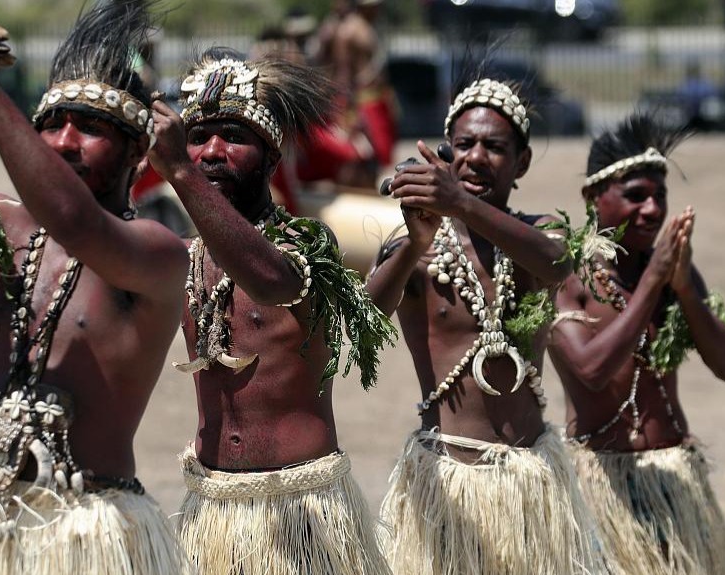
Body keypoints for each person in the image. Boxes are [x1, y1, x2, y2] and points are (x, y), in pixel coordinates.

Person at [0, 3, 192, 573]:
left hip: (86, 531)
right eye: (51, 125)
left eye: (89, 128)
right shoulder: (5, 230)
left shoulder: (156, 253)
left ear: (136, 151)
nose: (64, 142)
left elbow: (76, 224)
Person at [144, 48, 397, 575]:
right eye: (198, 137)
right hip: (212, 512)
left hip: (301, 514)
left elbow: (271, 282)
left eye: (234, 137)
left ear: (273, 158)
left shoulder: (306, 245)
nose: (212, 152)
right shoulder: (183, 256)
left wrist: (180, 171)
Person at [367, 72, 614, 574]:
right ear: (447, 151)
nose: (476, 157)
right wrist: (415, 243)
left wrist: (460, 203)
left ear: (522, 162)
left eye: (495, 147)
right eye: (465, 145)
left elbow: (559, 264)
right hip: (448, 481)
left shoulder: (539, 235)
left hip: (529, 481)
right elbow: (365, 320)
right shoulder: (417, 247)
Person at [548, 112, 725, 575]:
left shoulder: (675, 271)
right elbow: (591, 371)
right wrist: (654, 282)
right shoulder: (568, 277)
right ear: (593, 198)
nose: (653, 209)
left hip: (676, 479)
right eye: (636, 195)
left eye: (660, 196)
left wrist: (682, 288)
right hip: (603, 485)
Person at [332, 0, 398, 188]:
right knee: (370, 153)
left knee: (386, 154)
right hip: (365, 100)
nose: (378, 9)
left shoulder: (369, 27)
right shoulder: (348, 31)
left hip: (379, 98)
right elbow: (344, 73)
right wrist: (347, 109)